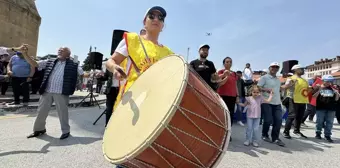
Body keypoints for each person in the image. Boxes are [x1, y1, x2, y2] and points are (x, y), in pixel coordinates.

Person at [106, 6, 173, 111]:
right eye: (151, 16)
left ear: (162, 25)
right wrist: (114, 68)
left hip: (154, 103)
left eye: (160, 18)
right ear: (144, 22)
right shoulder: (133, 40)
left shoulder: (168, 52)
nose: (156, 19)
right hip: (130, 101)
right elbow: (111, 61)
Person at [26, 47, 88, 140]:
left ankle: (65, 131)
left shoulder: (74, 64)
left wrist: (93, 73)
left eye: (62, 50)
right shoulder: (50, 61)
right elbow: (34, 64)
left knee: (63, 113)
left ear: (68, 54)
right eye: (59, 50)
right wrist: (25, 54)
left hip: (61, 92)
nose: (59, 51)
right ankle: (39, 130)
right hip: (47, 91)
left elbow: (83, 74)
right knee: (41, 112)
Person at [258, 62, 285, 147]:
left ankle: (275, 138)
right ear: (269, 68)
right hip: (266, 101)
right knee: (268, 120)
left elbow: (279, 89)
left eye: (277, 67)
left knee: (278, 120)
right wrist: (266, 89)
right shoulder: (264, 78)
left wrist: (288, 86)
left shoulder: (278, 79)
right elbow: (258, 87)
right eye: (273, 67)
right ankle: (264, 135)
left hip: (277, 102)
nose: (275, 68)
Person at [282, 64, 310, 139]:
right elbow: (285, 87)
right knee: (291, 116)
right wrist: (289, 85)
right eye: (301, 69)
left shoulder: (304, 80)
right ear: (296, 70)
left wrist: (314, 88)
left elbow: (308, 90)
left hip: (303, 100)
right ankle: (286, 131)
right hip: (293, 99)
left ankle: (297, 130)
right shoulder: (291, 78)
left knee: (299, 117)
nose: (303, 70)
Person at [312, 75, 339, 142]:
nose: (328, 83)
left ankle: (328, 135)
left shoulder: (333, 89)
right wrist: (320, 90)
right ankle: (318, 133)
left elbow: (336, 99)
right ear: (323, 81)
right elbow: (314, 97)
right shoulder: (318, 87)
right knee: (319, 121)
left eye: (330, 81)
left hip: (331, 108)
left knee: (329, 122)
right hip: (321, 108)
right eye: (327, 81)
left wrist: (337, 94)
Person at [217, 57, 239, 126]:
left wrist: (237, 96)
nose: (229, 63)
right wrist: (226, 75)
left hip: (232, 97)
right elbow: (220, 83)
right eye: (227, 62)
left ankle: (229, 132)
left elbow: (235, 86)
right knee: (222, 114)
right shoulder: (220, 72)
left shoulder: (234, 74)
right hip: (222, 96)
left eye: (230, 62)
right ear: (224, 63)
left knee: (230, 115)